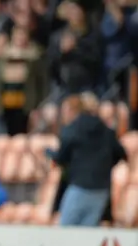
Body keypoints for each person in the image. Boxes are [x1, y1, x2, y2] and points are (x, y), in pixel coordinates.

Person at [49, 95, 127, 226]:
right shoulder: (107, 131)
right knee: (88, 237)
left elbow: (61, 157)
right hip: (101, 190)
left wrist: (50, 153)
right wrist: (105, 165)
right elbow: (121, 154)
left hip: (79, 187)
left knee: (66, 234)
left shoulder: (72, 129)